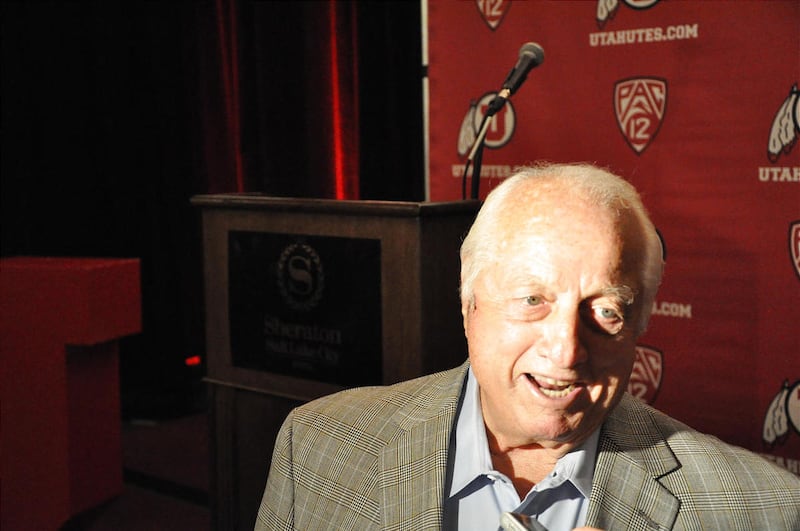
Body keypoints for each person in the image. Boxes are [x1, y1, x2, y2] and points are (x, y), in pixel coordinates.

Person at [255, 163, 800, 531]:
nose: (565, 351)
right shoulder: (318, 448)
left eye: (605, 311)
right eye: (533, 299)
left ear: (639, 326)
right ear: (470, 304)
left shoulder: (764, 510)